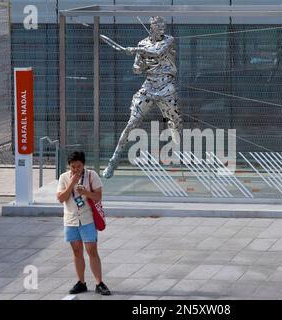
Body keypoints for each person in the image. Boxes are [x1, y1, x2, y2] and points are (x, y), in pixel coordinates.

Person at [102, 16, 182, 179]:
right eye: (158, 27)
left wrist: (136, 50)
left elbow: (157, 52)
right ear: (151, 28)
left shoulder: (169, 40)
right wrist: (141, 62)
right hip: (149, 86)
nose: (162, 29)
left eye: (163, 26)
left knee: (175, 121)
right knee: (132, 123)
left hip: (166, 86)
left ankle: (176, 155)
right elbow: (137, 70)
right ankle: (113, 161)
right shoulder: (142, 44)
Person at [56, 151, 111, 296]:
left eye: (78, 166)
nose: (76, 169)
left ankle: (99, 282)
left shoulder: (92, 175)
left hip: (87, 219)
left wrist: (86, 192)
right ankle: (81, 282)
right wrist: (72, 184)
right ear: (69, 166)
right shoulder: (63, 177)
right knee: (76, 251)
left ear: (83, 165)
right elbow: (61, 198)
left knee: (92, 250)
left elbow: (98, 197)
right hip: (71, 220)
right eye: (73, 167)